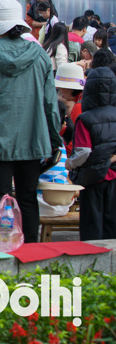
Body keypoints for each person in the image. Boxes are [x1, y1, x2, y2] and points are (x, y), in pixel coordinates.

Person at [0, 0, 61, 243]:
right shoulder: (39, 55)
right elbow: (50, 103)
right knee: (28, 196)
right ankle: (30, 249)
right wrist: (54, 139)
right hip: (31, 135)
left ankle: (2, 246)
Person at [67, 68, 116, 240]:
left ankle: (92, 264)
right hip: (114, 177)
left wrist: (70, 164)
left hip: (93, 179)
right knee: (112, 226)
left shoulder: (86, 118)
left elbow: (83, 152)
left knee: (92, 226)